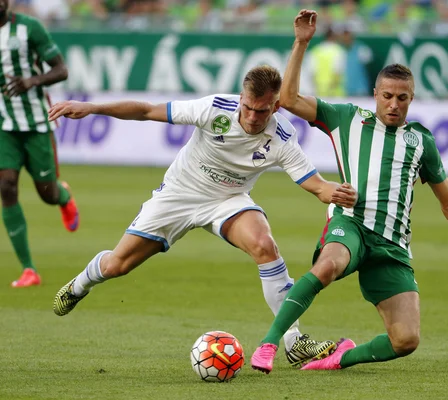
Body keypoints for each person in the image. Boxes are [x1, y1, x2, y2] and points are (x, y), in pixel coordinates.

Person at [48, 65, 358, 367]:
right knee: (117, 265)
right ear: (240, 97)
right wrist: (90, 107)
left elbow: (317, 186)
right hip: (179, 194)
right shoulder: (213, 108)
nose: (252, 117)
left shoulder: (282, 137)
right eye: (248, 107)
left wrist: (337, 191)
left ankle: (294, 341)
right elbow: (146, 110)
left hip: (229, 200)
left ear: (276, 106)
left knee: (265, 245)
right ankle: (79, 286)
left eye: (262, 111)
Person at [250, 10, 448, 374]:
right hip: (351, 223)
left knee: (406, 340)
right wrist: (301, 42)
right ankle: (269, 345)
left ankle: (339, 360)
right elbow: (288, 99)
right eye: (387, 96)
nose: (393, 104)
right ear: (375, 94)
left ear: (411, 98)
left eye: (402, 98)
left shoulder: (422, 143)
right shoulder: (346, 118)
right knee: (328, 264)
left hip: (391, 245)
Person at [0, 0, 79, 288]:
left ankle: (63, 197)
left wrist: (31, 81)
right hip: (4, 126)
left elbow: (61, 70)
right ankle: (28, 270)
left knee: (47, 193)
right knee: (6, 186)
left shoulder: (28, 28)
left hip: (36, 124)